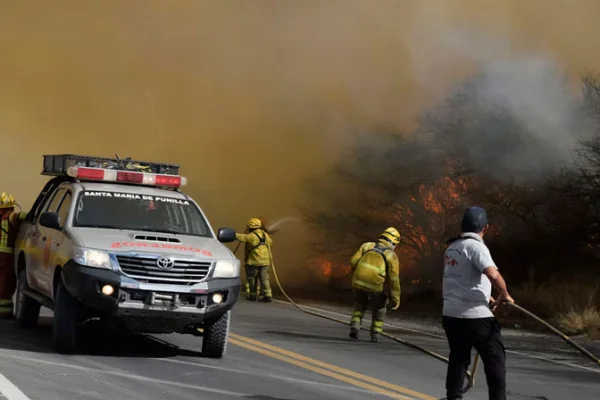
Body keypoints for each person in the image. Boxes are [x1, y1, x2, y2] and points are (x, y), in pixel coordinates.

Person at [442, 206, 515, 400]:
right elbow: (492, 274)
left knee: (458, 357)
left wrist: (488, 297)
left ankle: (454, 396)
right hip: (475, 316)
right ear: (485, 228)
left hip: (451, 315)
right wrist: (505, 294)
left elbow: (461, 279)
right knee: (495, 359)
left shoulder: (452, 247)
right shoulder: (476, 246)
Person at [348, 227, 401, 343]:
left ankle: (355, 325)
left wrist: (357, 275)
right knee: (380, 307)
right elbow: (394, 280)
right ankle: (375, 333)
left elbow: (353, 262)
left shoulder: (367, 246)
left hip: (357, 282)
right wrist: (395, 299)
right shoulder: (391, 256)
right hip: (375, 286)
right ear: (393, 241)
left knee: (360, 304)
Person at [0, 193, 27, 318]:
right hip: (6, 256)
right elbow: (22, 215)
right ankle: (4, 311)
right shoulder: (10, 216)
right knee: (6, 282)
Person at [235, 217, 274, 302]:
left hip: (254, 262)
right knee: (264, 278)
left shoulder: (251, 236)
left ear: (251, 227)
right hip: (265, 262)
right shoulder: (265, 235)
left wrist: (232, 234)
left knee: (252, 279)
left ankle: (252, 295)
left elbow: (241, 237)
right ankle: (267, 295)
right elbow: (270, 242)